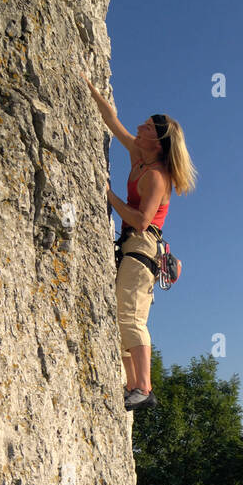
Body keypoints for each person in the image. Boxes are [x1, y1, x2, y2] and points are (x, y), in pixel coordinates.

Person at [82, 74, 197, 409]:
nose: (140, 127)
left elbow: (142, 220)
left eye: (147, 126)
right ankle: (133, 385)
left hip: (143, 245)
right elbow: (112, 121)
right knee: (121, 316)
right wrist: (90, 87)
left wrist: (109, 196)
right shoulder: (138, 153)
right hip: (133, 244)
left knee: (131, 316)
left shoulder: (157, 176)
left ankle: (144, 388)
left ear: (158, 142)